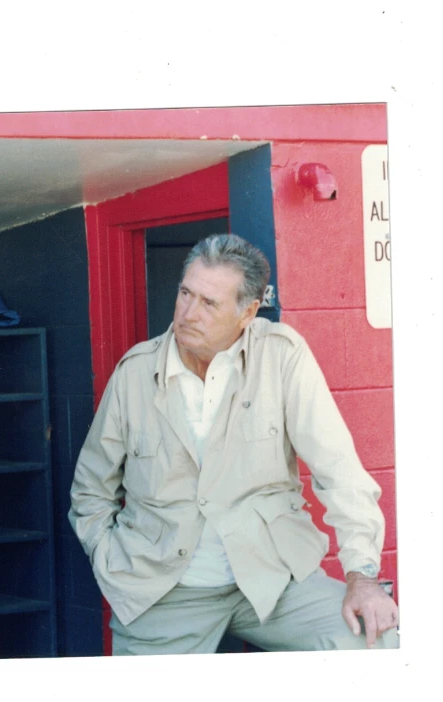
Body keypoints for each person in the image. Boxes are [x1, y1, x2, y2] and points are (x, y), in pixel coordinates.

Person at [69, 233, 400, 654]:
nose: (188, 313)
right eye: (185, 293)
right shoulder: (134, 373)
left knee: (378, 641)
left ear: (247, 313)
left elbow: (340, 472)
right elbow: (90, 490)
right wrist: (113, 564)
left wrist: (363, 578)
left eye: (209, 303)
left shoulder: (282, 356)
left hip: (274, 580)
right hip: (164, 592)